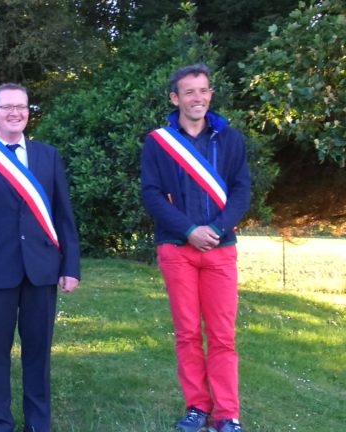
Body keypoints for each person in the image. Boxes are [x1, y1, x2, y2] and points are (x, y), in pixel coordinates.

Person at [0, 83, 81, 432]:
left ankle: (38, 424)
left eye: (21, 106)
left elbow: (63, 215)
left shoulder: (48, 156)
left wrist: (70, 265)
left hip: (42, 269)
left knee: (38, 355)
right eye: (7, 107)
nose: (15, 113)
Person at [140, 64, 251, 432]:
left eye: (203, 90)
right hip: (177, 248)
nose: (197, 98)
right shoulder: (158, 142)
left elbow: (241, 191)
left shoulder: (230, 138)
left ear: (210, 95)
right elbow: (151, 195)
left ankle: (227, 414)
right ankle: (197, 408)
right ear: (176, 98)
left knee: (222, 336)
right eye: (189, 92)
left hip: (220, 248)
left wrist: (215, 229)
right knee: (187, 333)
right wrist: (188, 230)